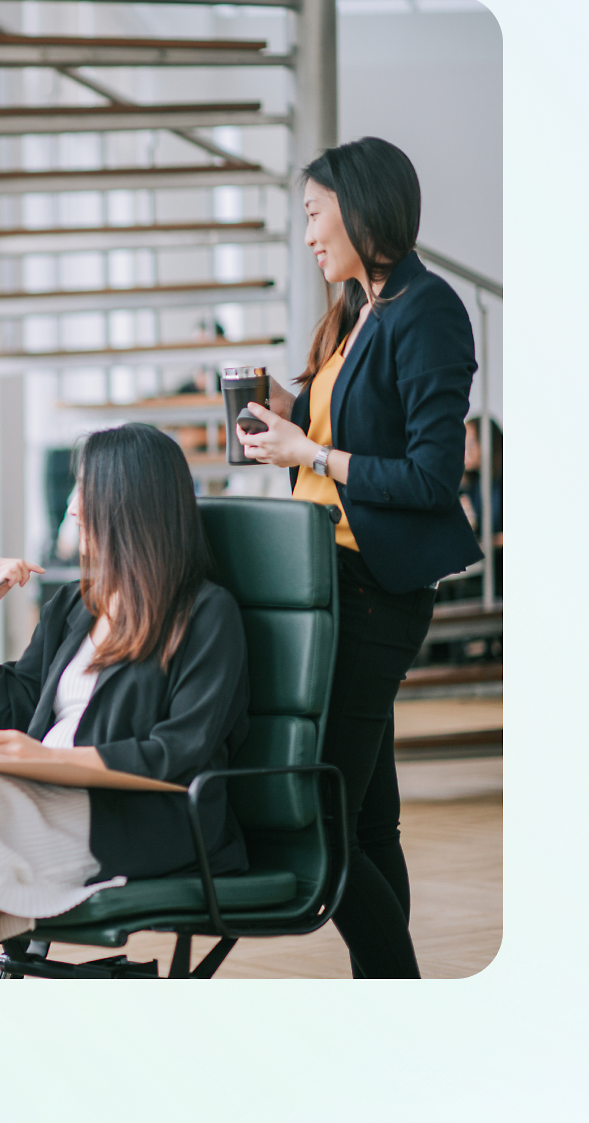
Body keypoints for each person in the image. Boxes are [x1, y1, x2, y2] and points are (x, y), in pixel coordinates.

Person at [237, 135, 482, 979]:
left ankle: (395, 988)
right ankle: (391, 993)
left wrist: (308, 452)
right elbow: (334, 425)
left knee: (321, 810)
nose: (306, 233)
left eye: (313, 213)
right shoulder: (356, 309)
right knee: (369, 820)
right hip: (325, 580)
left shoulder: (429, 309)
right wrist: (279, 408)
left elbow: (430, 476)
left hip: (372, 589)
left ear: (360, 205)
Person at [0, 423, 252, 980]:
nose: (71, 511)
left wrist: (43, 760)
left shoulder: (206, 614)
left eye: (84, 493)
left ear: (127, 505)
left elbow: (178, 753)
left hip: (137, 815)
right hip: (45, 794)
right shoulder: (76, 604)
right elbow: (15, 709)